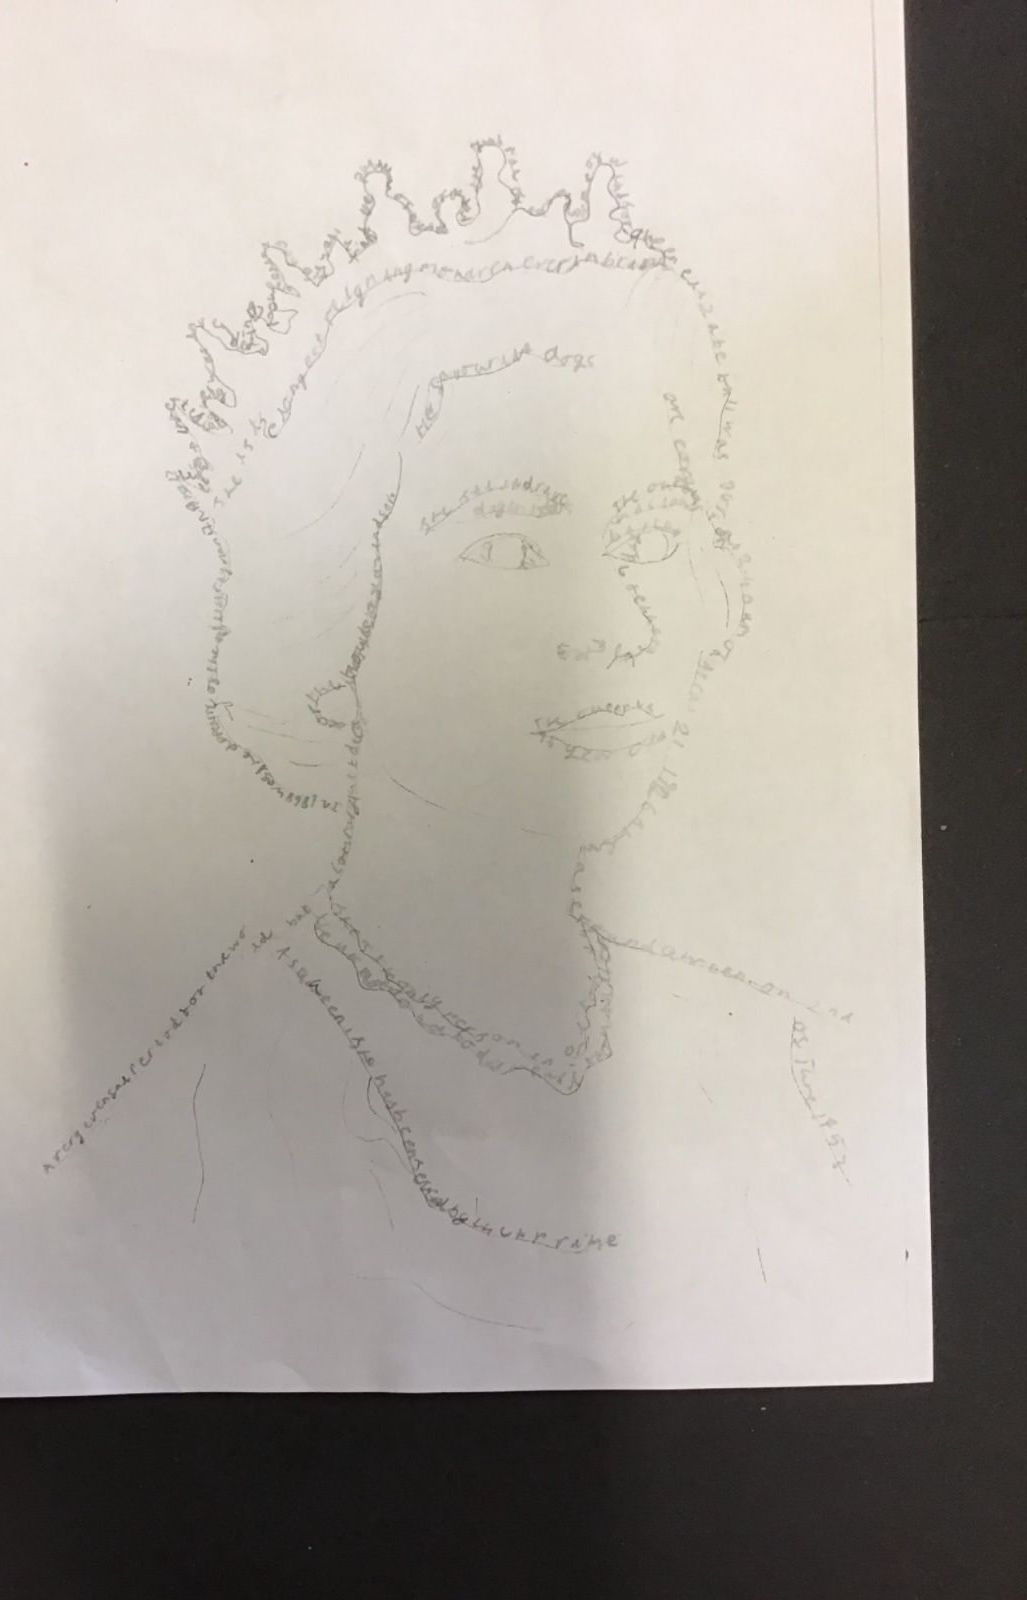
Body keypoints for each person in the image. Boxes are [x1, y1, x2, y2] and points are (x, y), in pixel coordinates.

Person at [152, 144, 855, 1361]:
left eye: (652, 537)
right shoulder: (217, 1099)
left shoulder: (783, 1061)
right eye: (511, 549)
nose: (618, 628)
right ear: (328, 618)